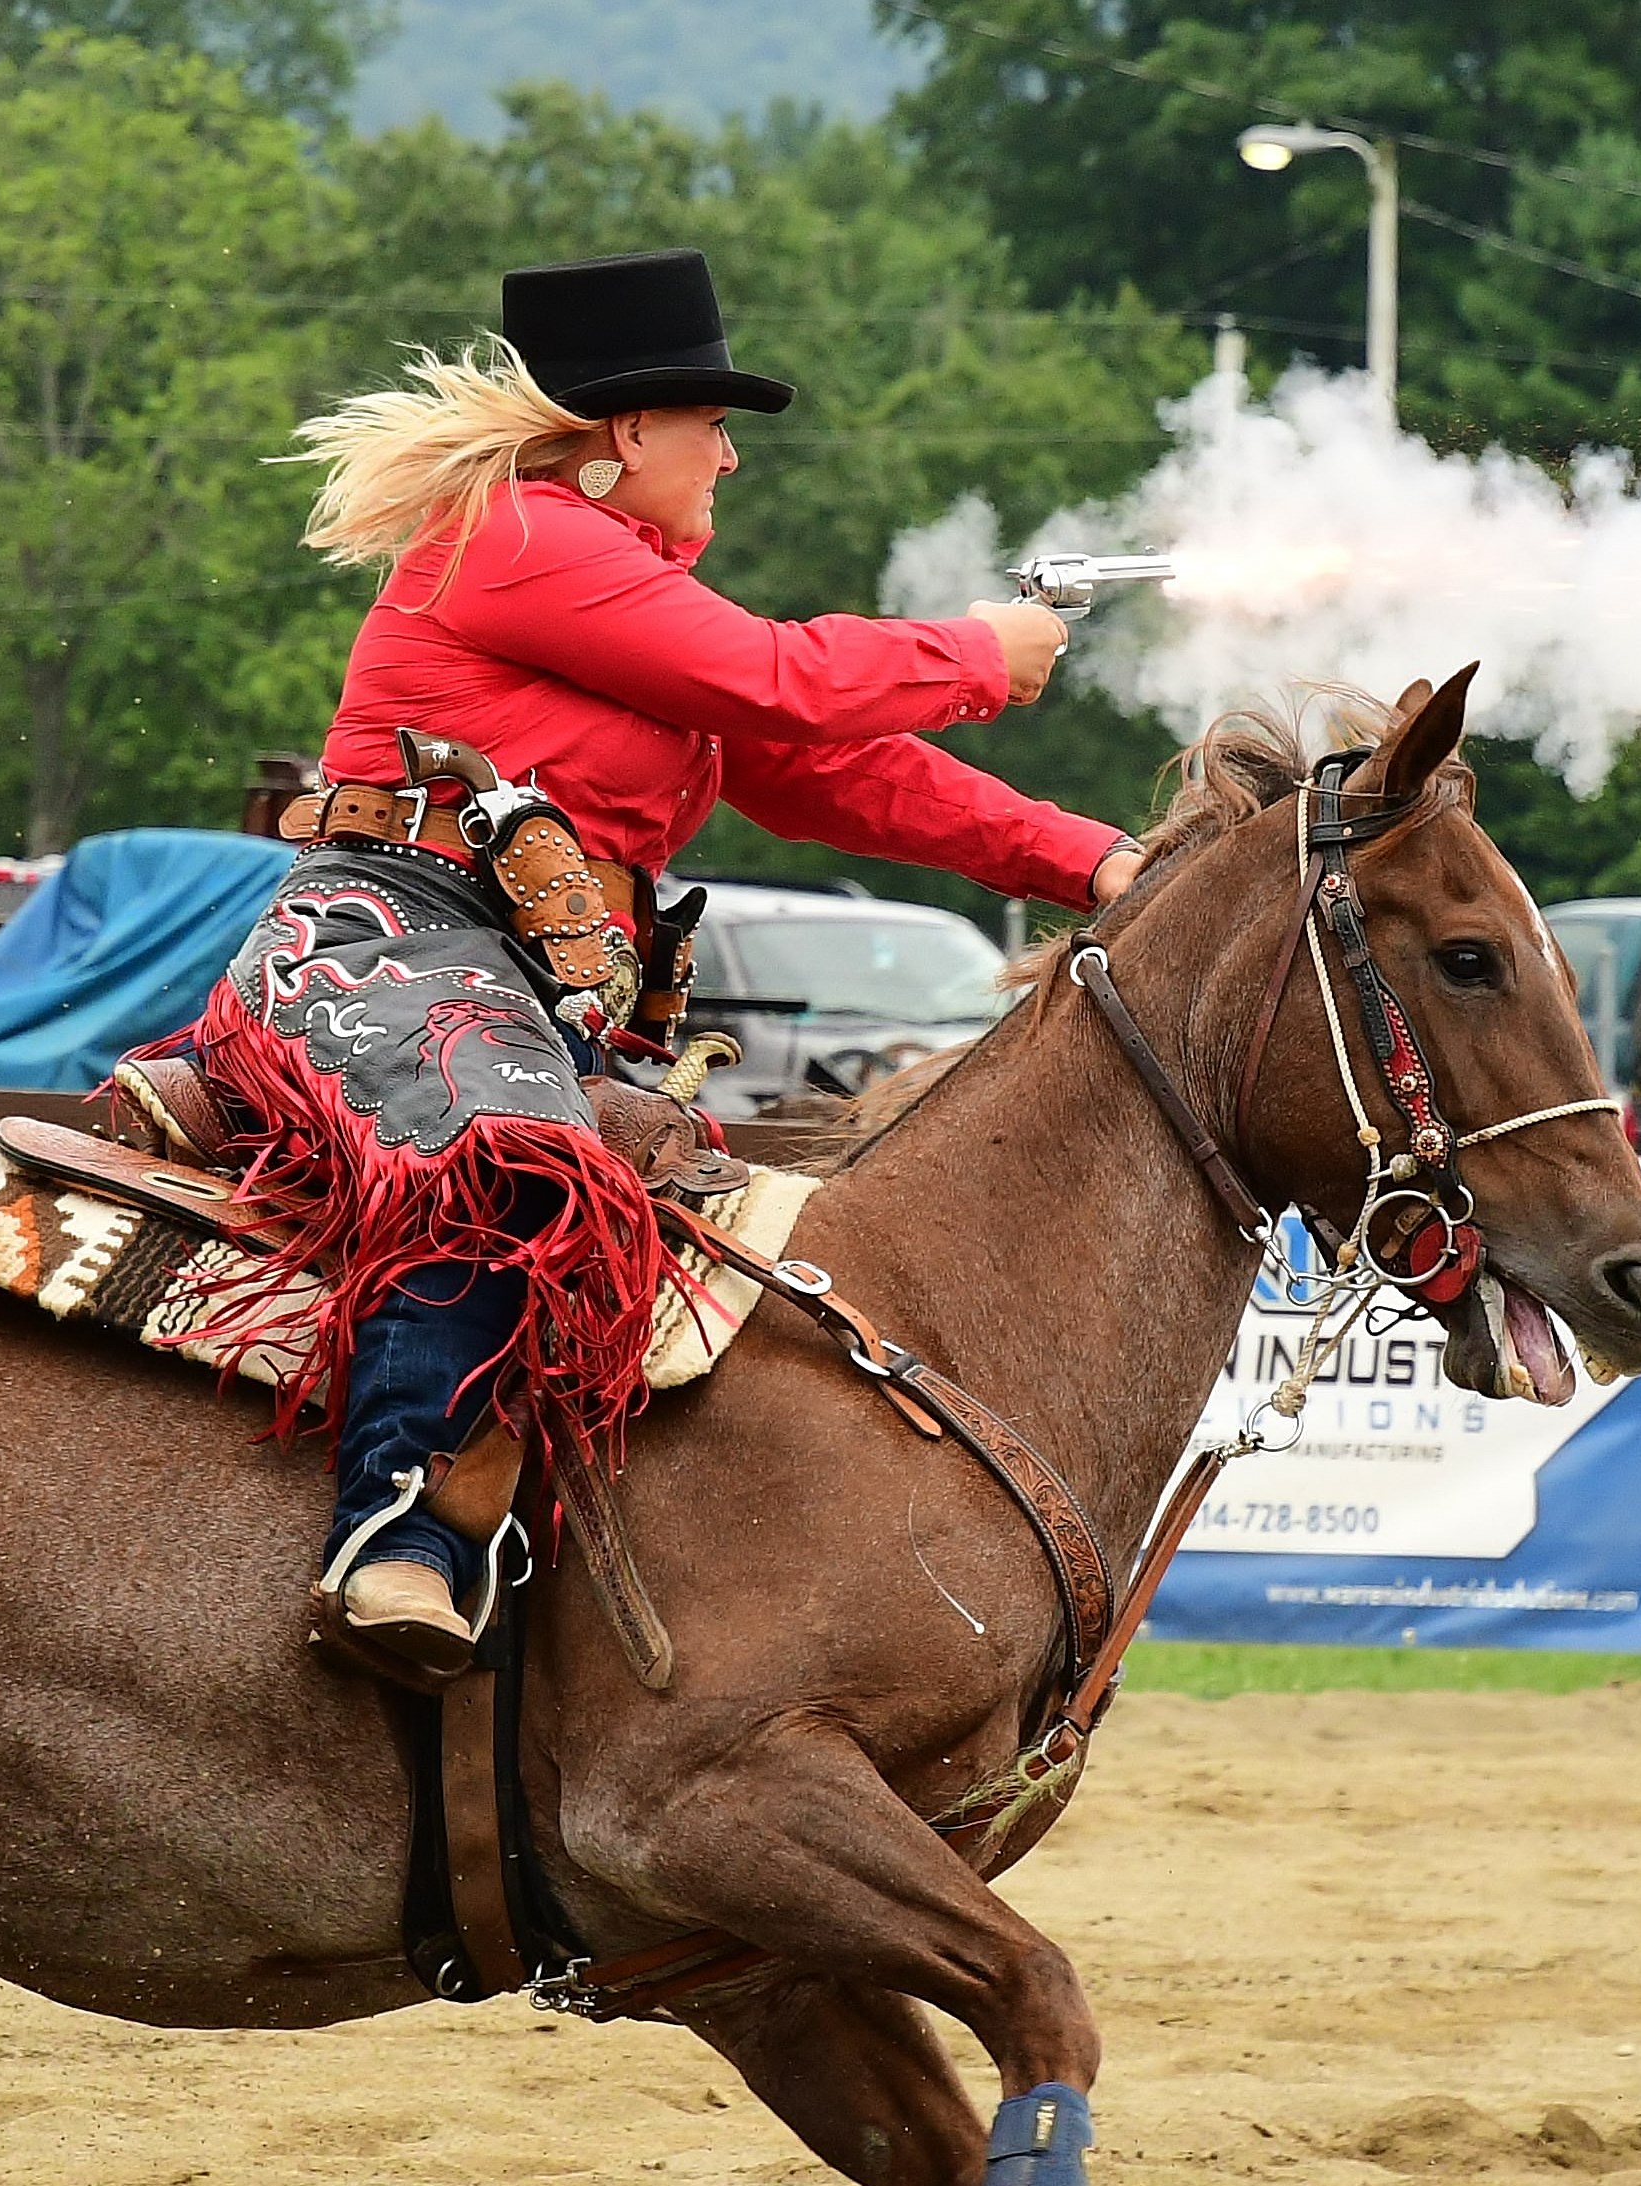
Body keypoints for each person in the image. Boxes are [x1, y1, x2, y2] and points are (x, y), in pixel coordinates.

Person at [170, 248, 1141, 1684]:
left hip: (501, 973)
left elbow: (832, 768)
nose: (730, 457)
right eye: (712, 426)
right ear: (629, 431)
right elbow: (784, 680)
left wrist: (1094, 860)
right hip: (395, 939)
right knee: (520, 1162)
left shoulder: (594, 574)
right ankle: (397, 1532)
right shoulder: (521, 535)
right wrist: (977, 653)